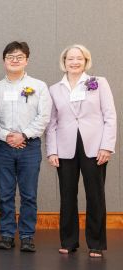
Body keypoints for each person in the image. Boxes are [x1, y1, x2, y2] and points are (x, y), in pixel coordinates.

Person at [46, 44, 116, 258]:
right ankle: (68, 241)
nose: (74, 62)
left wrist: (107, 146)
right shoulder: (55, 89)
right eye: (70, 59)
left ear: (86, 61)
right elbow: (51, 123)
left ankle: (96, 243)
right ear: (64, 62)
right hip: (65, 146)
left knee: (95, 195)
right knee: (67, 195)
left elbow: (110, 116)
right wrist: (52, 151)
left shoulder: (99, 83)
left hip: (95, 147)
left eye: (79, 59)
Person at [0, 41, 51, 252]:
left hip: (30, 146)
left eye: (19, 57)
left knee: (29, 194)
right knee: (5, 193)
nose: (14, 60)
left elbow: (44, 117)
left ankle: (27, 235)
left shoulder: (39, 86)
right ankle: (6, 234)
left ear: (27, 60)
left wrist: (23, 135)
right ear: (4, 60)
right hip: (3, 147)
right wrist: (8, 136)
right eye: (10, 57)